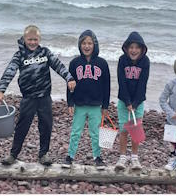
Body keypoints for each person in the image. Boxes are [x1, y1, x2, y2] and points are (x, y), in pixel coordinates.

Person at [0, 25, 76, 166]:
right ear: (24, 39)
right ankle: (13, 154)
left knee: (46, 126)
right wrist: (1, 89)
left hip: (44, 97)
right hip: (28, 98)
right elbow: (10, 71)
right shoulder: (19, 55)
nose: (32, 42)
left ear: (39, 39)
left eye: (35, 39)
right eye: (30, 39)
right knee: (22, 126)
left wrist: (69, 78)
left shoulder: (45, 52)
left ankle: (44, 154)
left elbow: (58, 66)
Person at [62, 30, 110, 170]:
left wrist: (105, 106)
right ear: (79, 45)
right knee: (76, 131)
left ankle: (98, 157)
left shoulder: (102, 63)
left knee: (95, 132)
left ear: (95, 44)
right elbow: (69, 84)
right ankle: (70, 156)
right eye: (84, 43)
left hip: (96, 105)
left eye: (90, 43)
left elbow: (106, 86)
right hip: (80, 104)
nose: (87, 46)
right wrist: (70, 102)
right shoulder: (74, 63)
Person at [115, 31, 150, 170]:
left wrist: (135, 103)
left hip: (138, 102)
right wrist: (127, 102)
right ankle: (122, 157)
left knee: (136, 130)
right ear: (126, 48)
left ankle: (135, 158)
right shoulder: (122, 60)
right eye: (131, 47)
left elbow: (143, 83)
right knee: (123, 130)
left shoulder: (145, 62)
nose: (134, 50)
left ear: (142, 49)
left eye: (137, 47)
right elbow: (121, 82)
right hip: (123, 101)